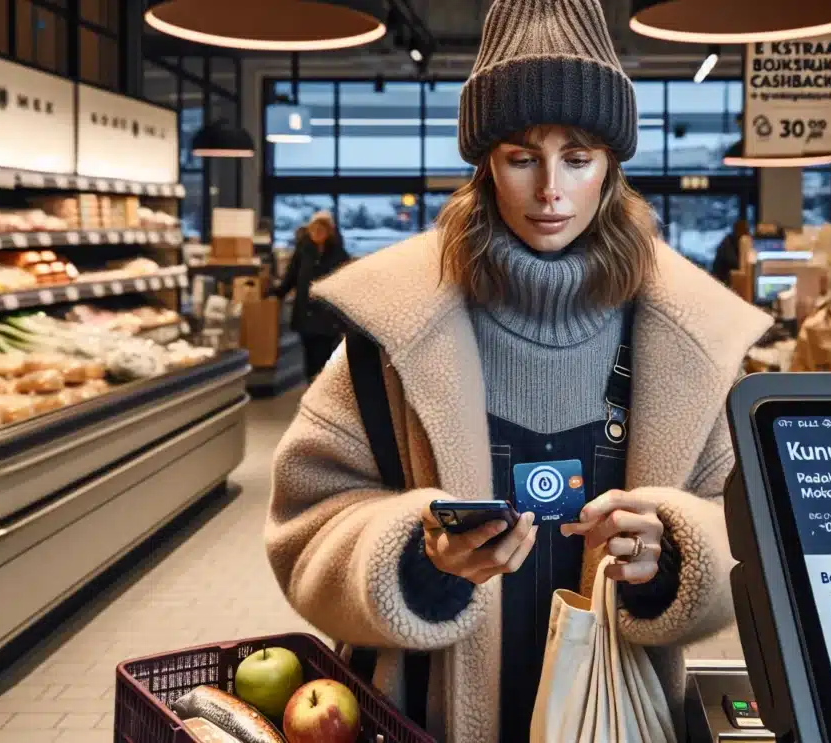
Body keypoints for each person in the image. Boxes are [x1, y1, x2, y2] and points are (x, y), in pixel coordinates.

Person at [265, 1, 772, 741]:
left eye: (578, 157)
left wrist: (671, 554)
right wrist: (416, 555)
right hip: (423, 713)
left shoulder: (688, 341)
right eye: (521, 156)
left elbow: (746, 534)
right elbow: (304, 527)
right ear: (485, 166)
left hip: (619, 711)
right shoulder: (391, 333)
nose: (550, 191)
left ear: (612, 166)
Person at [275, 211, 350, 382]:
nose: (317, 233)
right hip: (306, 313)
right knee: (309, 353)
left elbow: (345, 280)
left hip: (327, 314)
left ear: (329, 231)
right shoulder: (303, 250)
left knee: (325, 355)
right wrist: (277, 294)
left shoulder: (338, 253)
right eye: (314, 229)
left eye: (321, 229)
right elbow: (291, 276)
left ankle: (323, 386)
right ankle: (312, 384)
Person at [712, 219, 751, 285]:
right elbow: (735, 263)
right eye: (745, 231)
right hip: (722, 280)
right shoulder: (727, 243)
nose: (747, 234)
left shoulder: (737, 242)